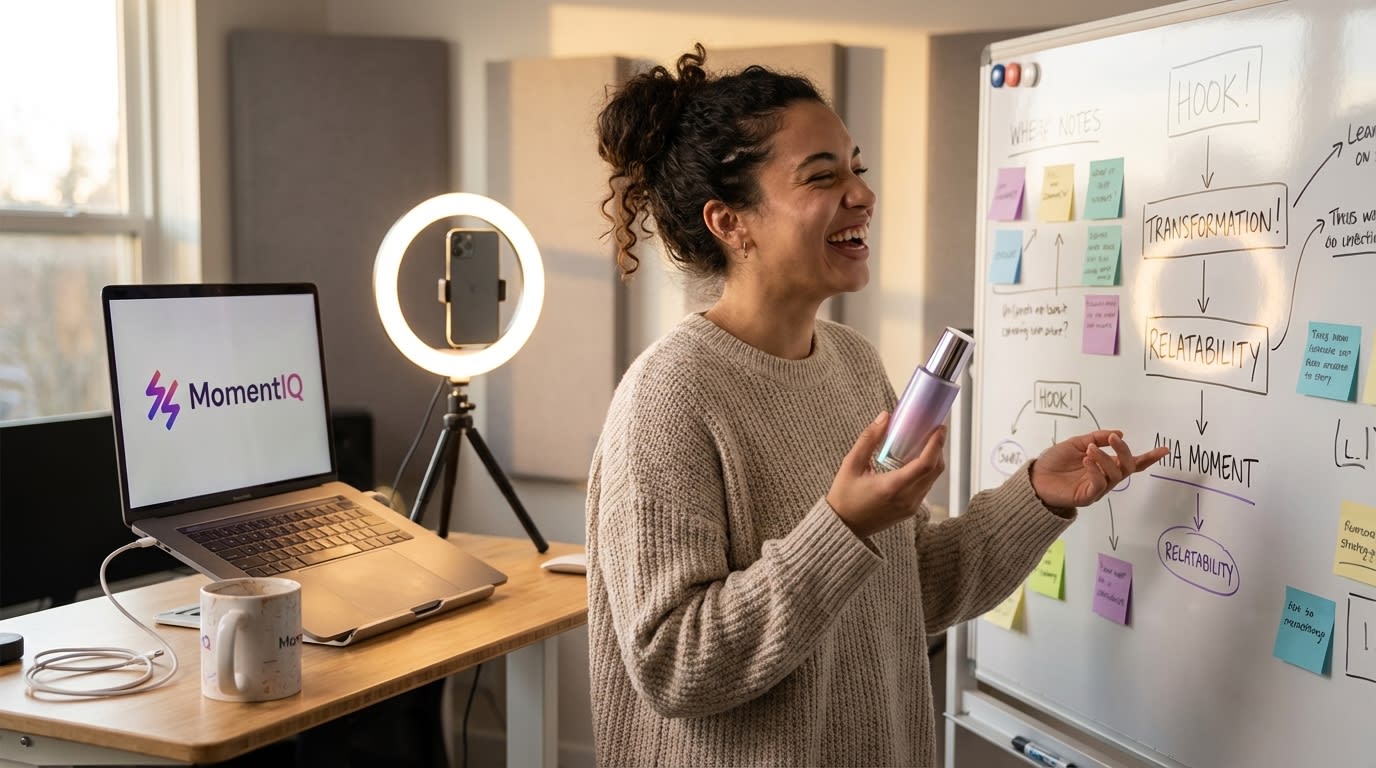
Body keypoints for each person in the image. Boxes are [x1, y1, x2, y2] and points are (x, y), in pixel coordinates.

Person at [585, 44, 1168, 767]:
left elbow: (905, 588)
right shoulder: (670, 396)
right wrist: (843, 524)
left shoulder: (853, 364)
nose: (861, 193)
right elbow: (674, 663)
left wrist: (1035, 499)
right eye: (822, 176)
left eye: (857, 167)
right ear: (731, 223)